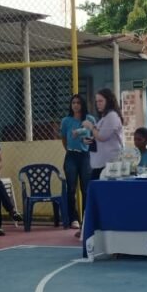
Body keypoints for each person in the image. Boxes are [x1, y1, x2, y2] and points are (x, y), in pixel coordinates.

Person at [59, 93, 95, 230]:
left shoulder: (90, 119)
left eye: (78, 103)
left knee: (86, 189)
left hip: (86, 156)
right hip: (71, 156)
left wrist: (87, 142)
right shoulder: (66, 121)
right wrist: (69, 150)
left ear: (83, 104)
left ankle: (86, 217)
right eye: (73, 103)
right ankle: (73, 218)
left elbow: (94, 137)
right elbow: (64, 138)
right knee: (71, 188)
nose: (75, 105)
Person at [83, 87, 124, 181]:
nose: (98, 104)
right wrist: (90, 140)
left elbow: (102, 136)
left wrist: (91, 126)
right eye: (97, 101)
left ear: (108, 101)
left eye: (101, 101)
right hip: (100, 163)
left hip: (109, 164)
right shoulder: (105, 117)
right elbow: (98, 135)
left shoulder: (112, 116)